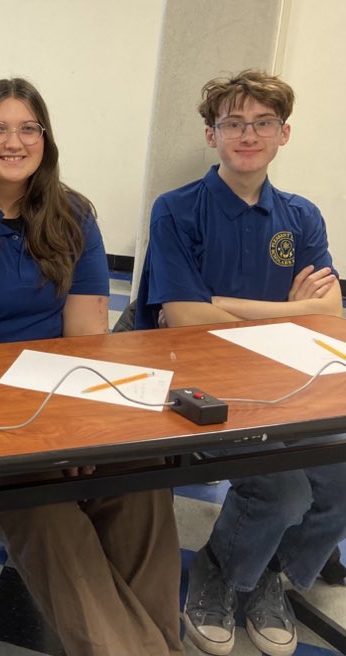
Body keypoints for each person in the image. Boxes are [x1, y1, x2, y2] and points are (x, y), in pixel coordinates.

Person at [0, 78, 183, 656]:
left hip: (55, 383)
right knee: (46, 507)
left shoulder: (73, 213)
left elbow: (87, 341)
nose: (14, 141)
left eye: (29, 127)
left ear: (45, 139)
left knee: (141, 478)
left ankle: (159, 646)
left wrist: (85, 438)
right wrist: (52, 445)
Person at [136, 69, 346, 656]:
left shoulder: (301, 217)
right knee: (283, 492)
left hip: (285, 376)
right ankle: (221, 574)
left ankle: (271, 578)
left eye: (262, 123)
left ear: (284, 133)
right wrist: (287, 310)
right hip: (198, 382)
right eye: (233, 123)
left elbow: (330, 315)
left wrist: (224, 303)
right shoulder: (177, 211)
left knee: (339, 473)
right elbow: (182, 319)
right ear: (212, 135)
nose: (248, 135)